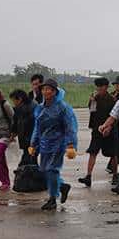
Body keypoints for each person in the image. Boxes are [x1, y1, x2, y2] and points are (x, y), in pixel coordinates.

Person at [28, 79, 77, 210]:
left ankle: (52, 198)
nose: (46, 91)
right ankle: (62, 186)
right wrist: (33, 144)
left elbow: (70, 127)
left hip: (58, 143)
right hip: (44, 144)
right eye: (44, 89)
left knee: (52, 169)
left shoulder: (63, 108)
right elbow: (37, 128)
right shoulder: (40, 108)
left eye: (49, 89)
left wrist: (71, 145)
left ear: (55, 91)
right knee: (44, 170)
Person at [79, 77, 116, 187]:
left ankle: (115, 175)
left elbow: (114, 116)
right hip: (96, 130)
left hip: (109, 130)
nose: (99, 89)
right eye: (97, 87)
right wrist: (92, 101)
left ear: (106, 87)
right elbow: (92, 111)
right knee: (92, 152)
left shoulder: (112, 100)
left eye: (101, 87)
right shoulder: (94, 98)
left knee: (113, 154)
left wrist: (109, 127)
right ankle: (88, 176)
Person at [104, 75, 119, 175]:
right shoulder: (111, 94)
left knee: (118, 147)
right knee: (113, 147)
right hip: (111, 123)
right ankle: (114, 165)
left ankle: (114, 167)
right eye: (116, 84)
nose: (117, 86)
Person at [9, 89, 37, 165]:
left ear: (20, 99)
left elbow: (31, 125)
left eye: (14, 100)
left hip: (30, 141)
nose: (13, 103)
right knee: (31, 161)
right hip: (27, 141)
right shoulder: (20, 108)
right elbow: (16, 122)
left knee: (27, 163)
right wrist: (13, 134)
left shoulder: (30, 108)